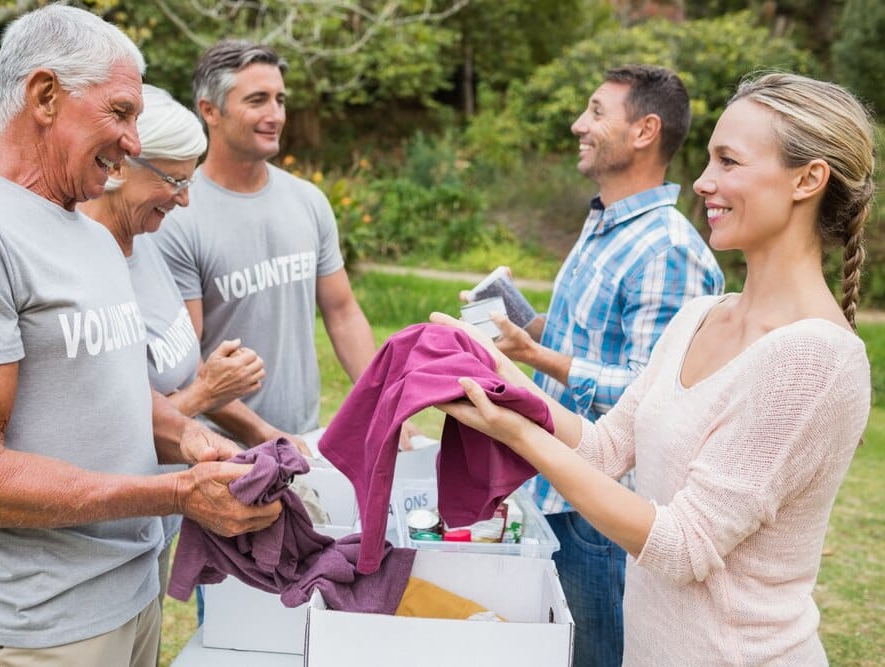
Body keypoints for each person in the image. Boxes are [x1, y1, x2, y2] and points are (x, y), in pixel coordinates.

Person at [436, 71, 874, 665]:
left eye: (729, 161)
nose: (703, 181)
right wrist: (499, 377)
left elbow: (683, 546)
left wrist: (515, 432)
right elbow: (605, 448)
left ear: (808, 179)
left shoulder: (814, 359)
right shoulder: (699, 316)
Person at [0, 7, 279, 666]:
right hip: (39, 623)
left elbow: (113, 388)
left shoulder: (90, 234)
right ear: (44, 96)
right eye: (121, 113)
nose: (133, 140)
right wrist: (175, 493)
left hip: (132, 593)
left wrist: (188, 437)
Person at [474, 65, 723, 666]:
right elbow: (585, 341)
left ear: (644, 131)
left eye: (595, 111)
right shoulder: (607, 224)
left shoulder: (667, 249)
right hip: (559, 485)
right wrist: (520, 320)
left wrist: (535, 357)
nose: (577, 125)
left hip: (605, 514)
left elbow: (654, 393)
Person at [77, 83, 267, 655]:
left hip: (153, 531)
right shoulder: (84, 267)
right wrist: (205, 394)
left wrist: (260, 432)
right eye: (174, 181)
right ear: (120, 166)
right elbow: (102, 428)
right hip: (95, 547)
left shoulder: (148, 244)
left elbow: (171, 380)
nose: (184, 200)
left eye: (190, 182)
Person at [154, 39, 408, 451]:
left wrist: (388, 404)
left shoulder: (308, 201)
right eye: (257, 100)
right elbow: (186, 363)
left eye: (280, 100)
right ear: (209, 110)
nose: (275, 115)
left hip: (303, 439)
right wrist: (262, 433)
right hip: (223, 453)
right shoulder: (178, 214)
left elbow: (342, 313)